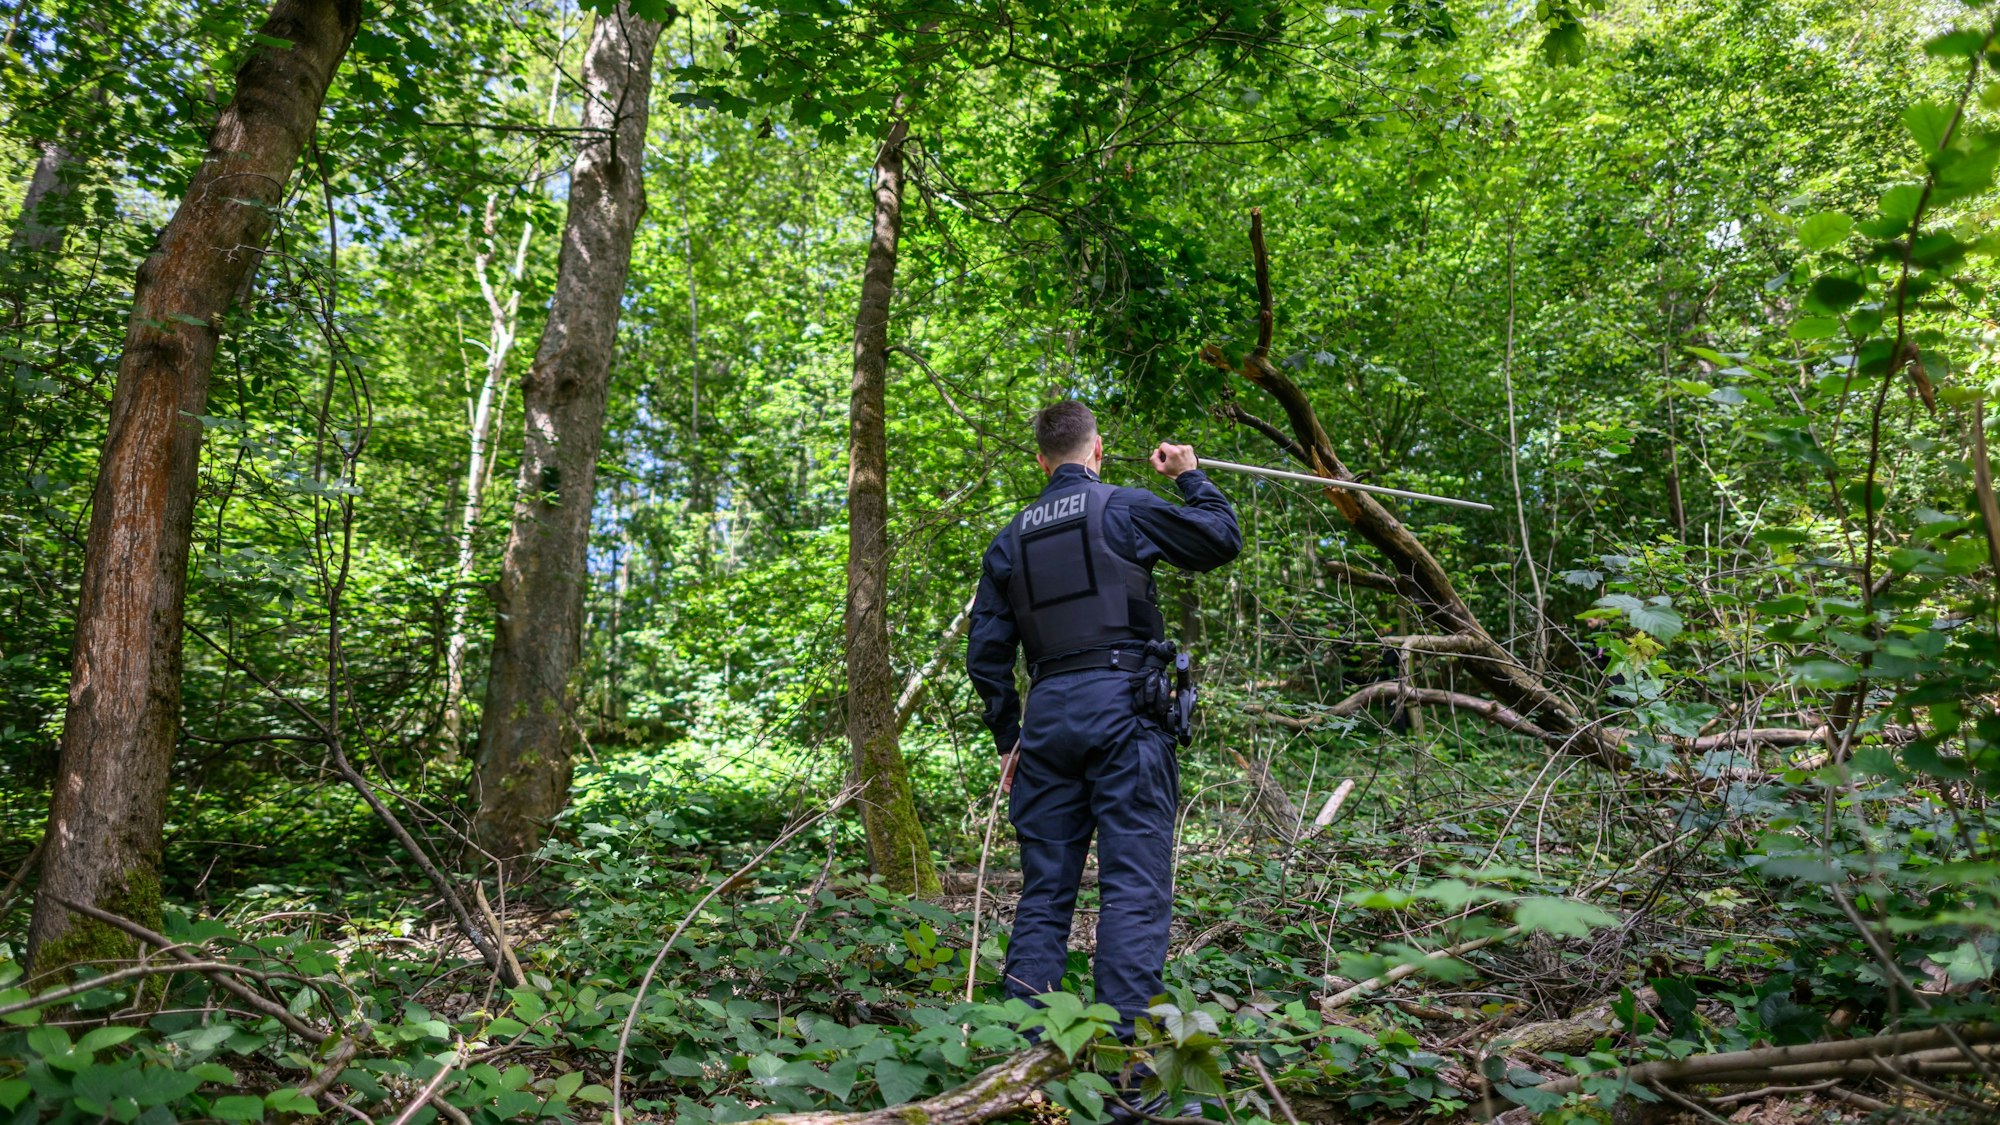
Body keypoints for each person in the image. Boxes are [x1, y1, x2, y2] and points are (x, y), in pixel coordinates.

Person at [964, 400, 1241, 1109]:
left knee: (1046, 889)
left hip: (1048, 718)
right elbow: (1218, 540)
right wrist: (1190, 475)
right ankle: (1126, 1078)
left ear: (1040, 460)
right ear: (1096, 451)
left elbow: (987, 655)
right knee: (1133, 887)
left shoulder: (1008, 540)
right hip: (1125, 710)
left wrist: (1009, 736)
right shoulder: (1123, 506)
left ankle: (1024, 1068)